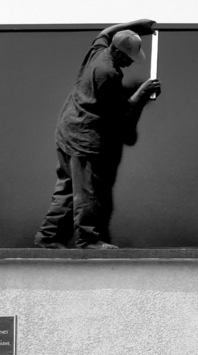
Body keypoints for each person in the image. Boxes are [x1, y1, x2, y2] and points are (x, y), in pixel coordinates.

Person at [33, 19, 162, 250]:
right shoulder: (108, 73)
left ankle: (48, 237)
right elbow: (124, 111)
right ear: (117, 52)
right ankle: (88, 240)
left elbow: (104, 32)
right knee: (87, 193)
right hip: (83, 138)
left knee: (66, 188)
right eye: (129, 59)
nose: (131, 64)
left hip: (67, 129)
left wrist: (136, 25)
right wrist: (143, 93)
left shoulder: (98, 51)